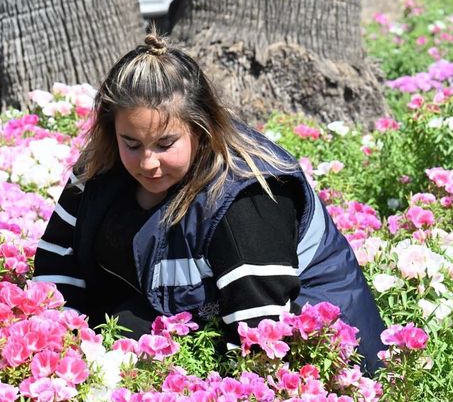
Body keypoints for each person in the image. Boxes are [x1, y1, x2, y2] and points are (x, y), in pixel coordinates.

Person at [33, 32, 387, 373]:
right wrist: (64, 351)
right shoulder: (101, 165)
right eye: (132, 143)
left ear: (201, 129)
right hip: (196, 324)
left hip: (325, 360)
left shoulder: (247, 198)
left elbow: (261, 347)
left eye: (165, 144)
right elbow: (56, 266)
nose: (147, 163)